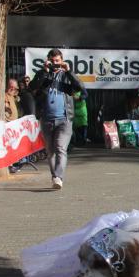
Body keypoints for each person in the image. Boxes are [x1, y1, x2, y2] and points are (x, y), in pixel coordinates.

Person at [30, 48, 83, 190]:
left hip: (64, 118)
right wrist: (44, 72)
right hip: (46, 118)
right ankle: (55, 177)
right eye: (52, 61)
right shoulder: (43, 74)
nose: (55, 64)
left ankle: (59, 177)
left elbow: (80, 88)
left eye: (57, 61)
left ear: (62, 61)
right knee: (50, 151)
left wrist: (69, 71)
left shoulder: (66, 75)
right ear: (48, 61)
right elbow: (32, 88)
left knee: (60, 148)